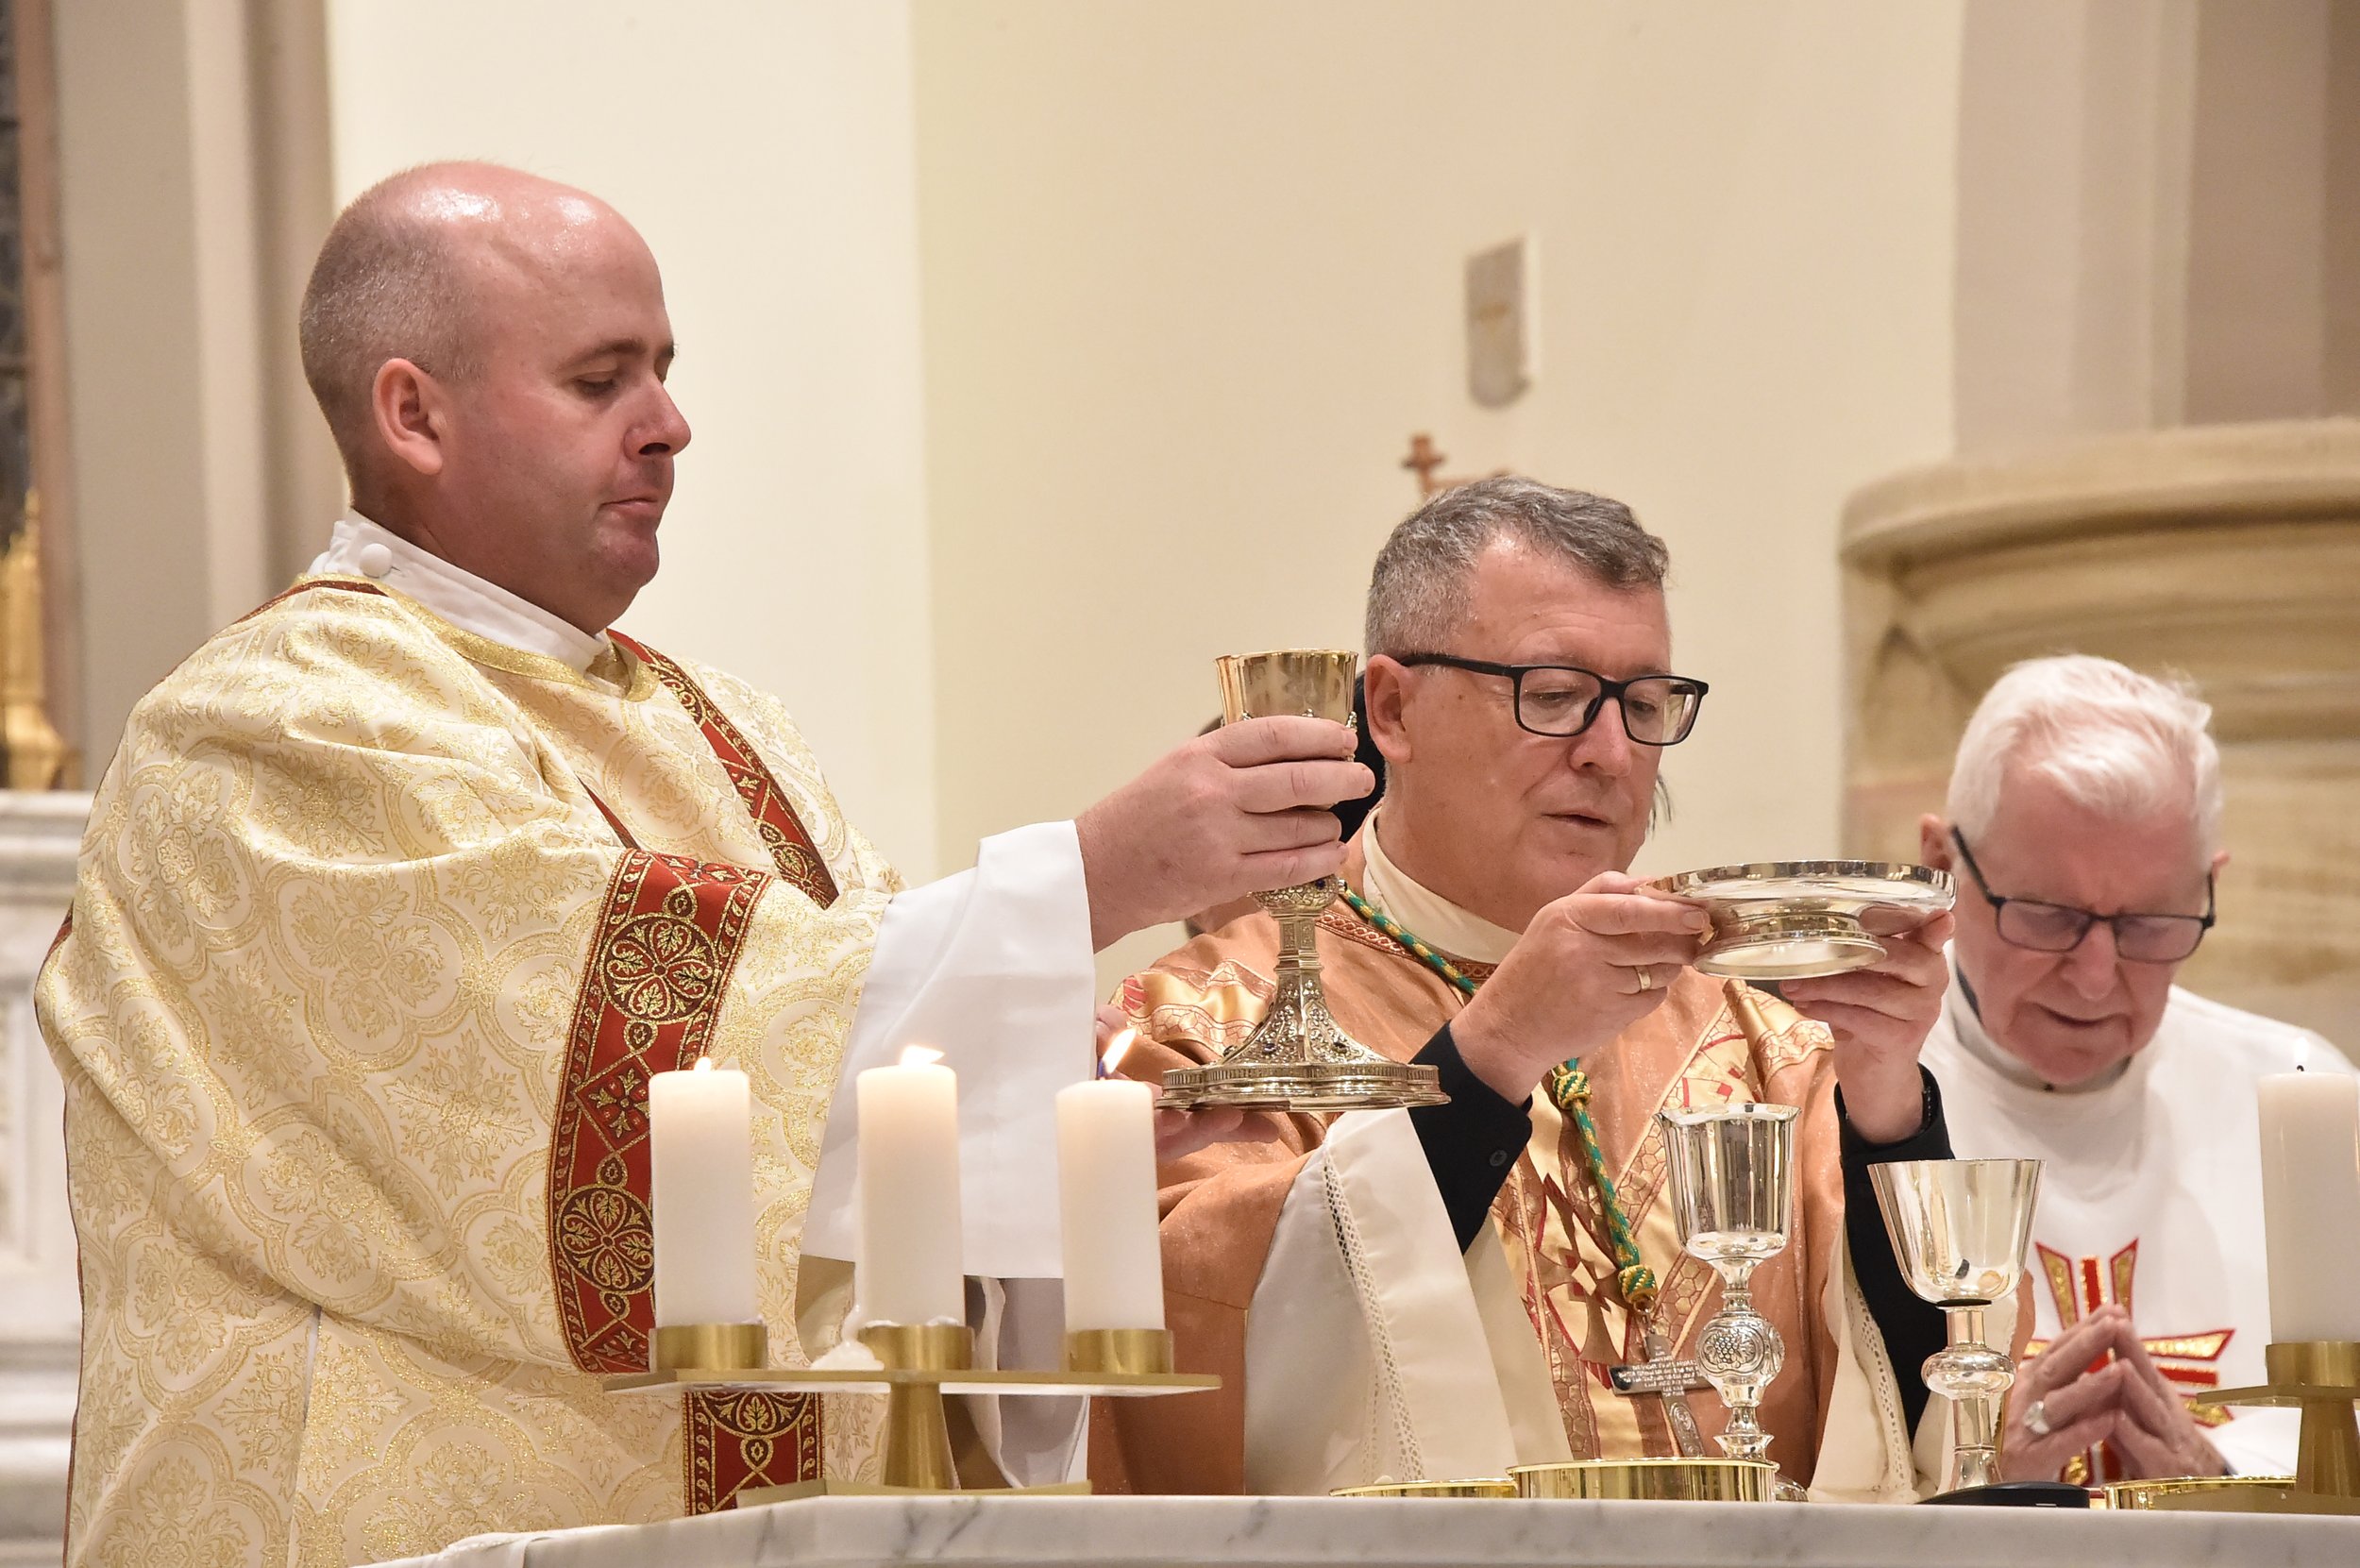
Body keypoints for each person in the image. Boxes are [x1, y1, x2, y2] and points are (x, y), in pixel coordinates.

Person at [35, 163, 1370, 1566]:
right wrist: (1091, 877)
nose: (670, 425)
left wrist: (1057, 1134)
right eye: (602, 379)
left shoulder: (728, 730)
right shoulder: (275, 728)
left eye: (664, 372)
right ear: (412, 413)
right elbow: (619, 1068)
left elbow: (862, 1085)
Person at [1099, 477, 1964, 1500]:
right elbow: (1199, 1377)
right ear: (1392, 708)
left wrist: (1886, 1109)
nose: (1609, 753)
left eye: (1643, 704)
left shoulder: (1766, 1047)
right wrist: (1491, 1053)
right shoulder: (1208, 1026)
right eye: (1552, 695)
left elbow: (1925, 1418)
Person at [1915, 655, 2355, 1485]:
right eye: (2048, 915)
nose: (2093, 975)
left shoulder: (2299, 1091)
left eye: (2151, 924)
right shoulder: (1849, 1095)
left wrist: (2223, 1472)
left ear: (2208, 884)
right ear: (1942, 864)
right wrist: (1968, 1471)